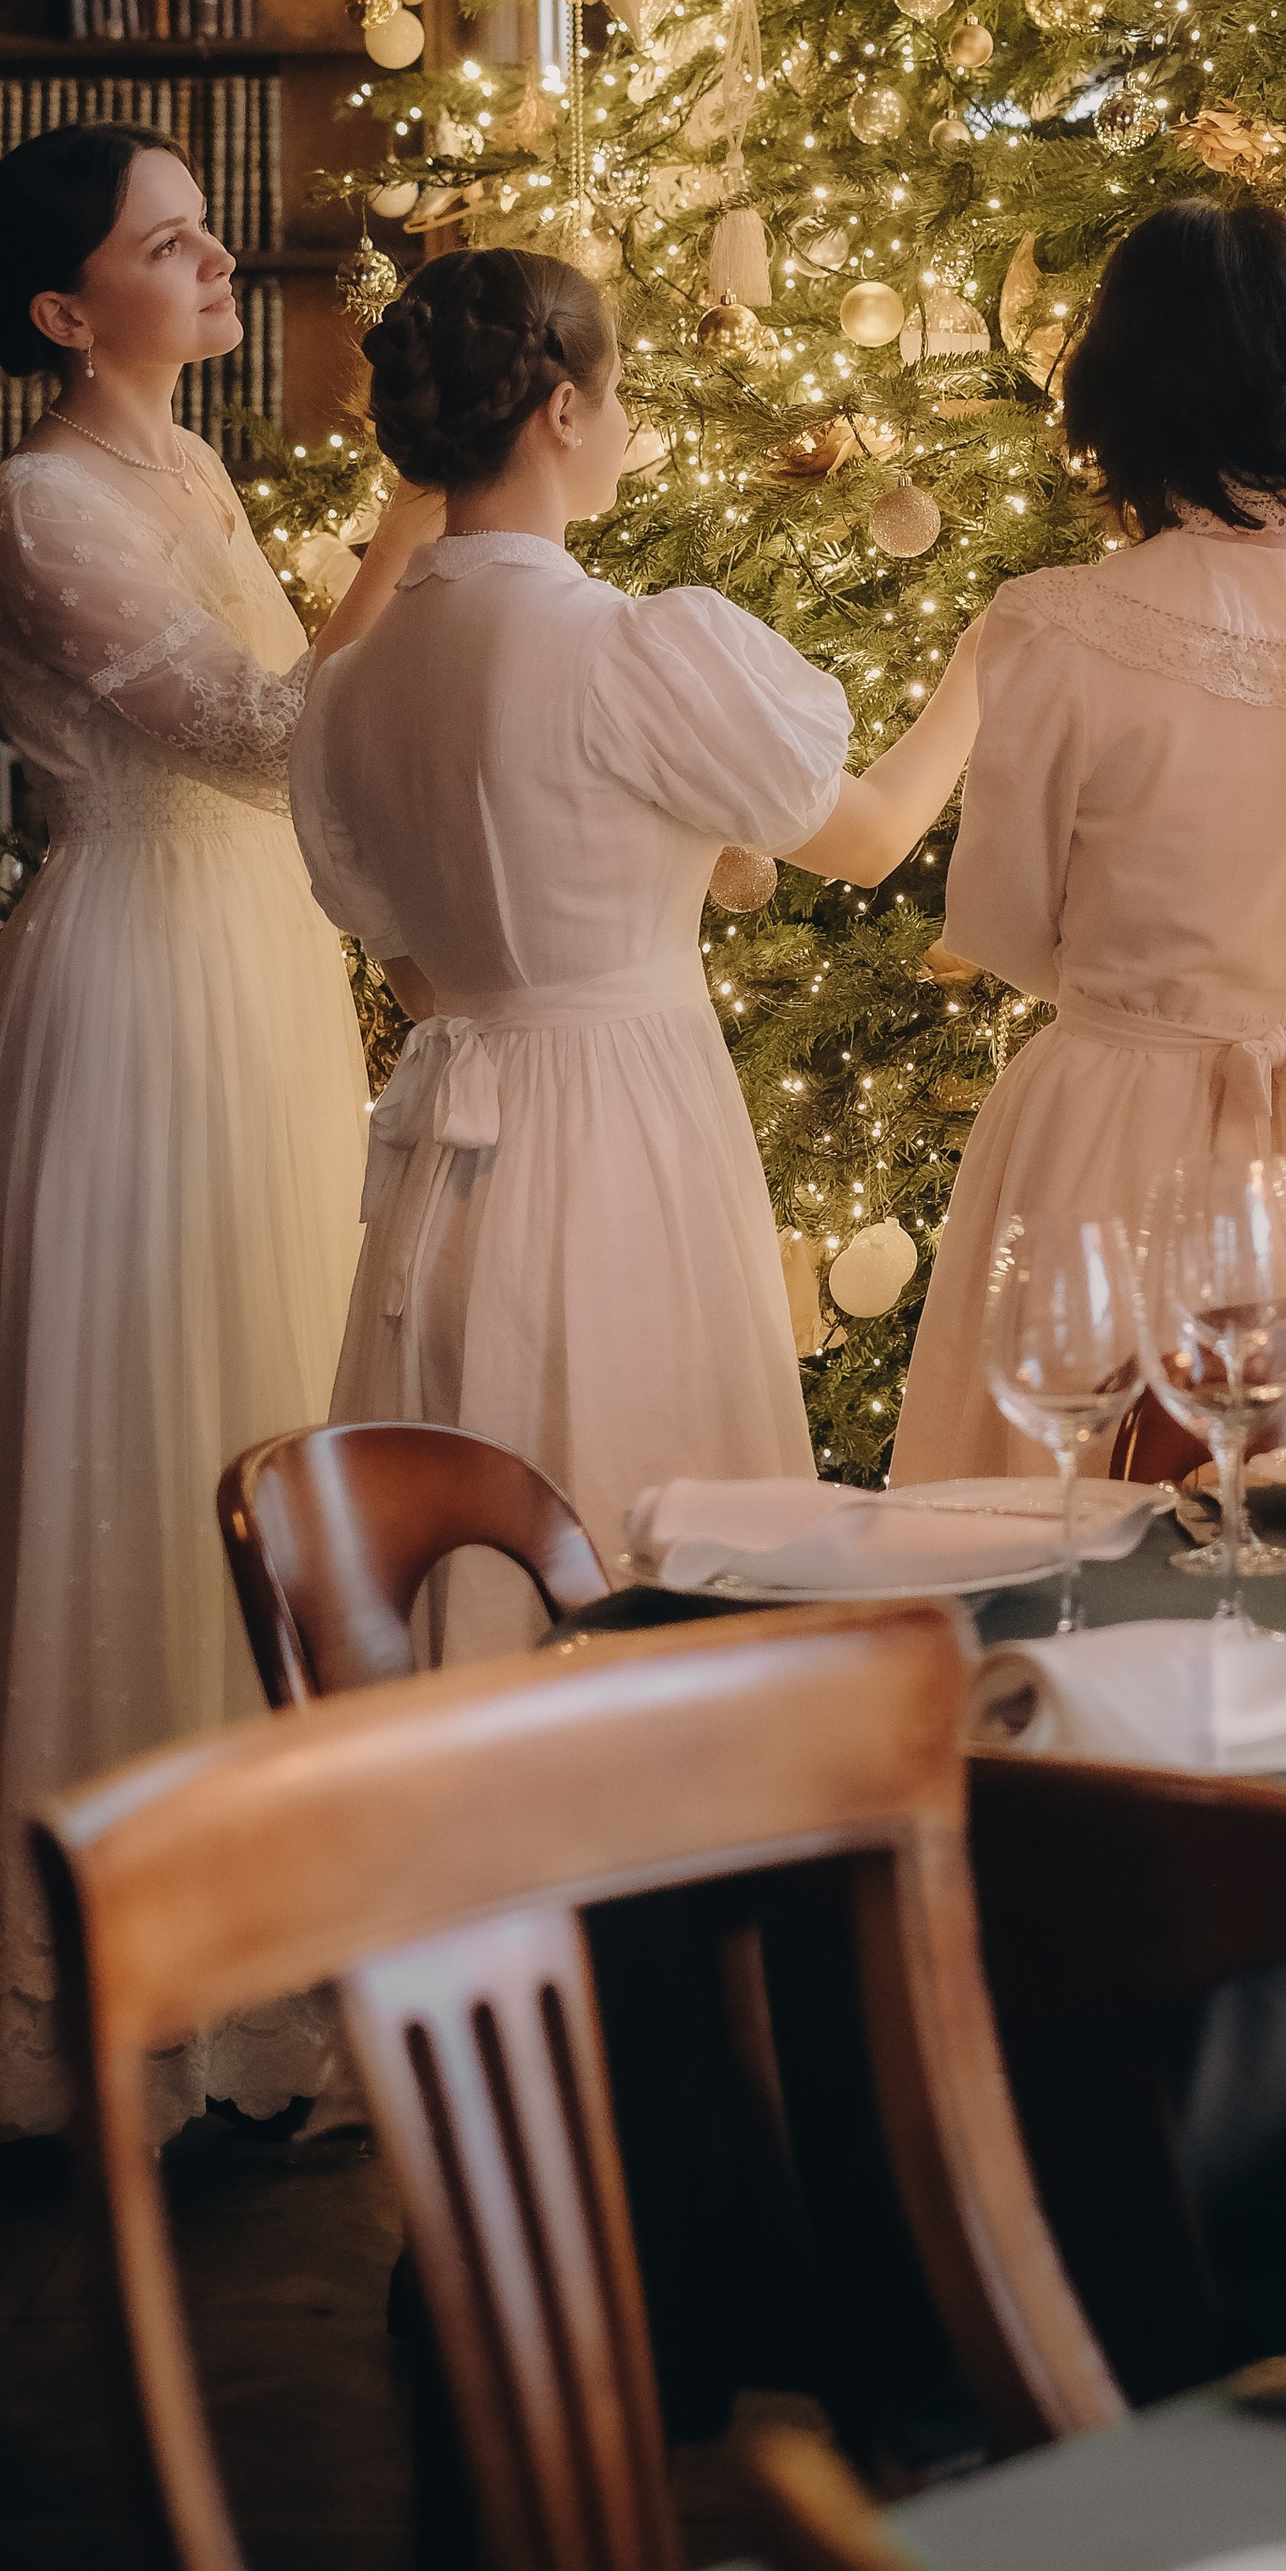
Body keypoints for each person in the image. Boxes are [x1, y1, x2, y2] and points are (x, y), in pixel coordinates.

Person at [0, 123, 433, 2142]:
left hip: (254, 978)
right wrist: (417, 523)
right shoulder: (35, 497)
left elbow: (294, 718)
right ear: (59, 309)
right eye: (164, 242)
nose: (212, 263)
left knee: (267, 1396)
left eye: (204, 232)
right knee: (129, 1424)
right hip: (125, 994)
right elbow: (268, 734)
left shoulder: (184, 464)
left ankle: (263, 1967)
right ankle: (92, 1998)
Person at [291, 245, 983, 1621]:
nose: (623, 429)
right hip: (626, 1135)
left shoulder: (345, 690)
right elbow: (866, 837)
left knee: (479, 1538)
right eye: (616, 398)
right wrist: (980, 674)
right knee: (641, 1515)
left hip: (445, 1173)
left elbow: (420, 972)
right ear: (560, 410)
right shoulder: (626, 649)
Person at [890, 197, 1286, 1484]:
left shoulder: (1052, 628)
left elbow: (995, 921)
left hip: (1106, 1120)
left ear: (1118, 384)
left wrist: (1147, 998)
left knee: (1061, 1519)